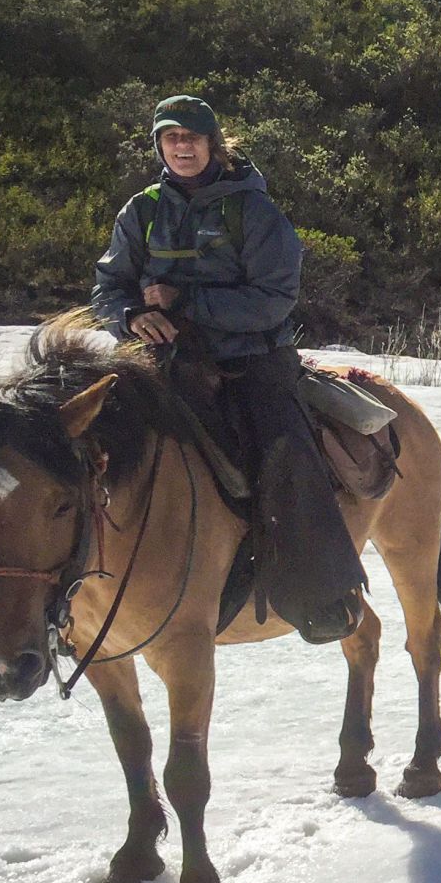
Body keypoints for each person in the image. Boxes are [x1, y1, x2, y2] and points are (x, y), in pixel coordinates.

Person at [92, 94, 366, 643]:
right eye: (171, 138)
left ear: (213, 143)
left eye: (192, 137)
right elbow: (109, 287)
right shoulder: (140, 210)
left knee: (287, 456)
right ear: (159, 146)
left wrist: (183, 304)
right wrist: (130, 317)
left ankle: (324, 594)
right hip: (161, 362)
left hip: (252, 364)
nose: (182, 147)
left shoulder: (254, 212)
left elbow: (274, 300)